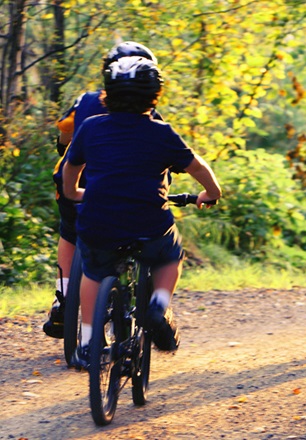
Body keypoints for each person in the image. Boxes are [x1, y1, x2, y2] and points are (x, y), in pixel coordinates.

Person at [62, 56, 222, 369]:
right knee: (170, 254)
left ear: (107, 93)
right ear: (154, 96)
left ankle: (89, 340)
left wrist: (73, 194)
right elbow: (197, 167)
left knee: (93, 271)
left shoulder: (91, 128)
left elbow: (71, 168)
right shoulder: (161, 133)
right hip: (149, 224)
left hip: (99, 223)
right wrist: (211, 194)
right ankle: (159, 307)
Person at [43, 42, 161, 339]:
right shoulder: (151, 115)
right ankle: (148, 297)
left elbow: (64, 130)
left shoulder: (85, 101)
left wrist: (63, 146)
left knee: (70, 233)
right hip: (129, 196)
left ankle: (63, 298)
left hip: (78, 187)